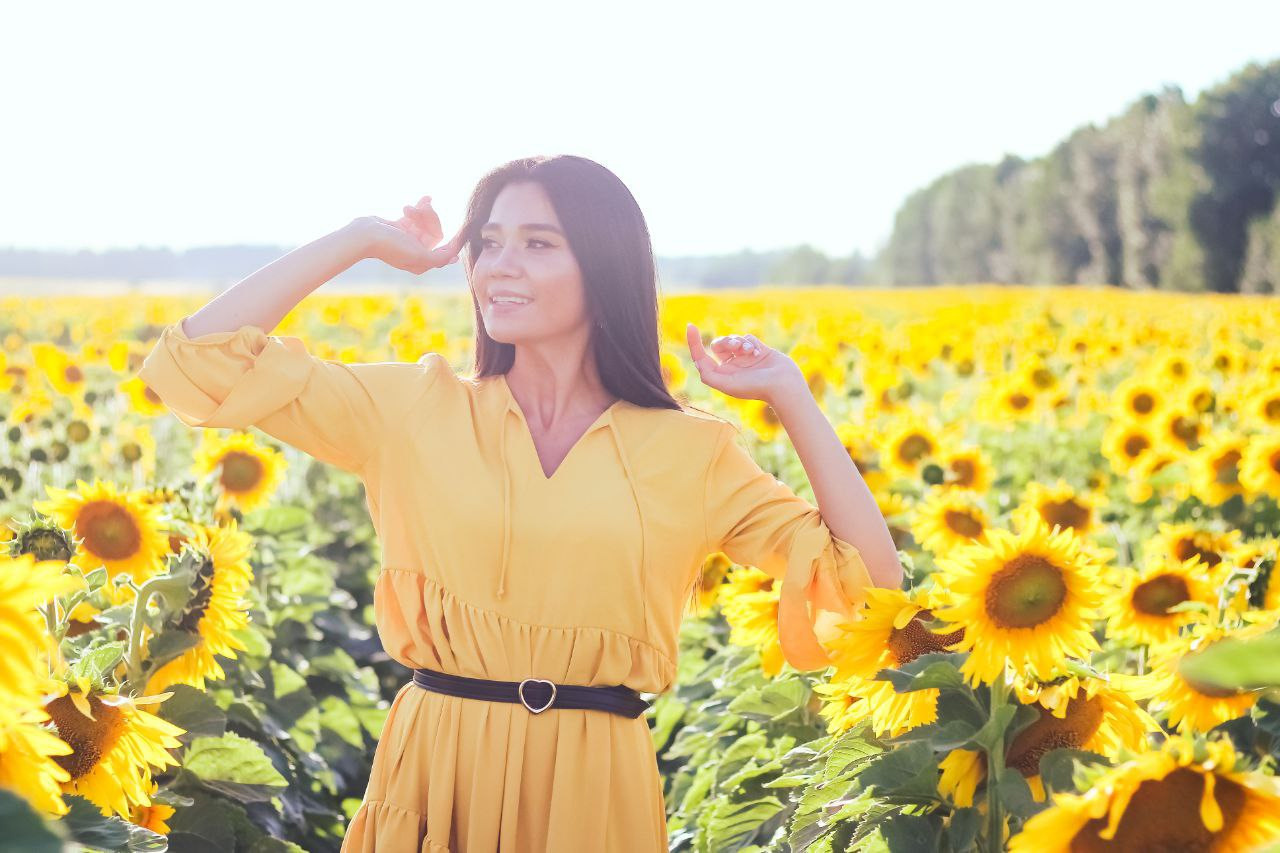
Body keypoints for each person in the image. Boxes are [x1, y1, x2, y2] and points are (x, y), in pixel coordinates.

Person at [136, 154, 903, 852]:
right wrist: (360, 238)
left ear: (602, 267)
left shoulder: (689, 450)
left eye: (538, 243)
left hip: (593, 788)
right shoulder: (413, 408)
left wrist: (790, 396)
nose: (500, 267)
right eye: (490, 243)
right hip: (435, 769)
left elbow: (866, 585)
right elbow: (190, 365)